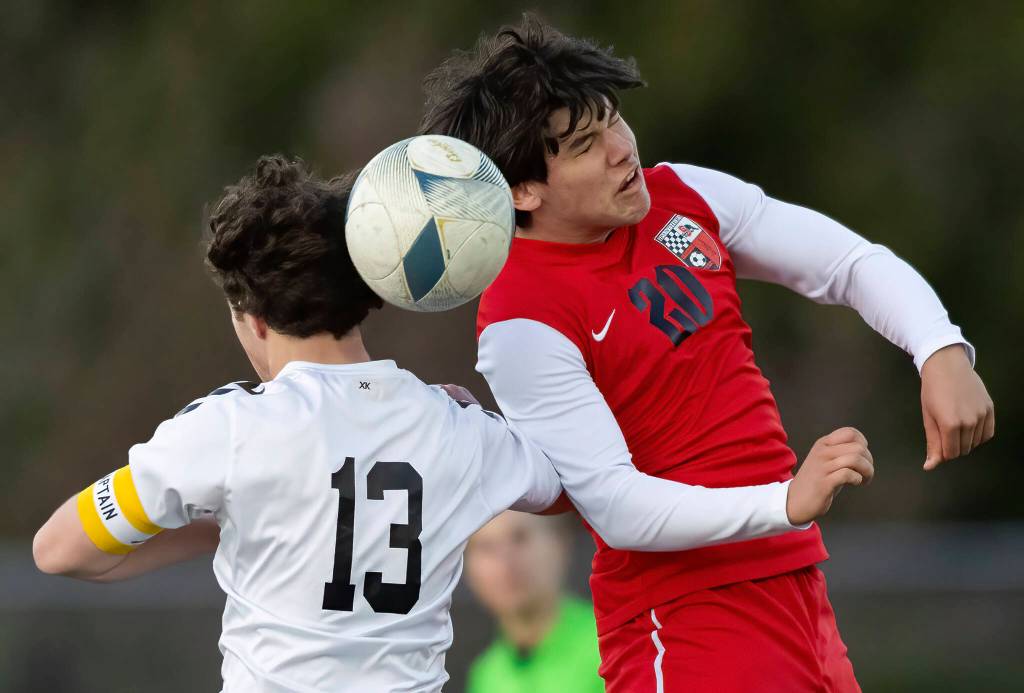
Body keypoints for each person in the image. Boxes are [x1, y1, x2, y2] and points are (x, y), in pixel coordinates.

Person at [31, 155, 868, 692]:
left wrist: (220, 523)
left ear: (248, 317)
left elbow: (61, 549)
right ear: (373, 291)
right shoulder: (456, 431)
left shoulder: (224, 433)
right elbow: (565, 481)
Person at [420, 14, 995, 692]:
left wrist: (939, 348)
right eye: (583, 143)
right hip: (682, 620)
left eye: (613, 119)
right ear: (522, 191)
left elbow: (848, 262)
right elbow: (616, 504)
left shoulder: (681, 195)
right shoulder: (521, 318)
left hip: (796, 587)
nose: (619, 149)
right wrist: (783, 499)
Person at [464, 512, 603, 693]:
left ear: (560, 541)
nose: (505, 562)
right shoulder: (485, 675)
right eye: (486, 547)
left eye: (520, 538)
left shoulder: (614, 646)